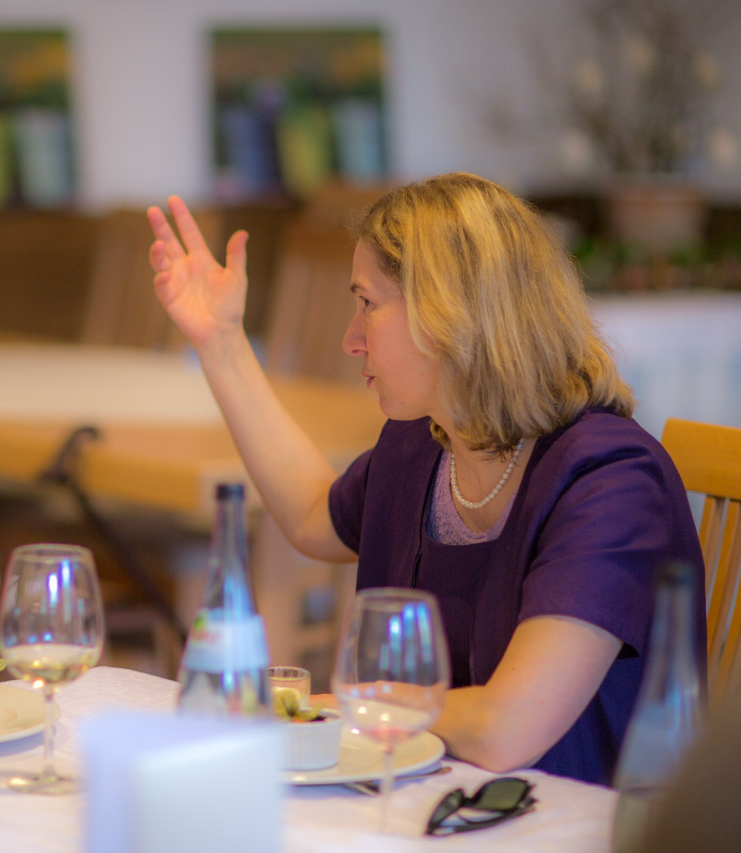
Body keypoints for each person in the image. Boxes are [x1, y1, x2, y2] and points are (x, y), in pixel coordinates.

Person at [147, 173, 705, 785]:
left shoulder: (611, 480)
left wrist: (330, 710)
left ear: (450, 311)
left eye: (367, 303)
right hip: (433, 799)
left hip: (575, 819)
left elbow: (504, 729)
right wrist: (222, 344)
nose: (351, 339)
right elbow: (312, 516)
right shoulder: (423, 443)